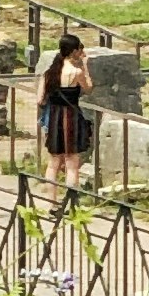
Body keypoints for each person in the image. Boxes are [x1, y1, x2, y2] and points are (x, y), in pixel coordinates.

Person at [37, 32, 94, 197]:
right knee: (71, 163)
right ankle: (71, 203)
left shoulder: (49, 73)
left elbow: (40, 100)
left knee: (53, 163)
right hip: (71, 117)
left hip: (54, 117)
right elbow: (88, 88)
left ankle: (51, 203)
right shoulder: (76, 72)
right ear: (74, 51)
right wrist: (86, 67)